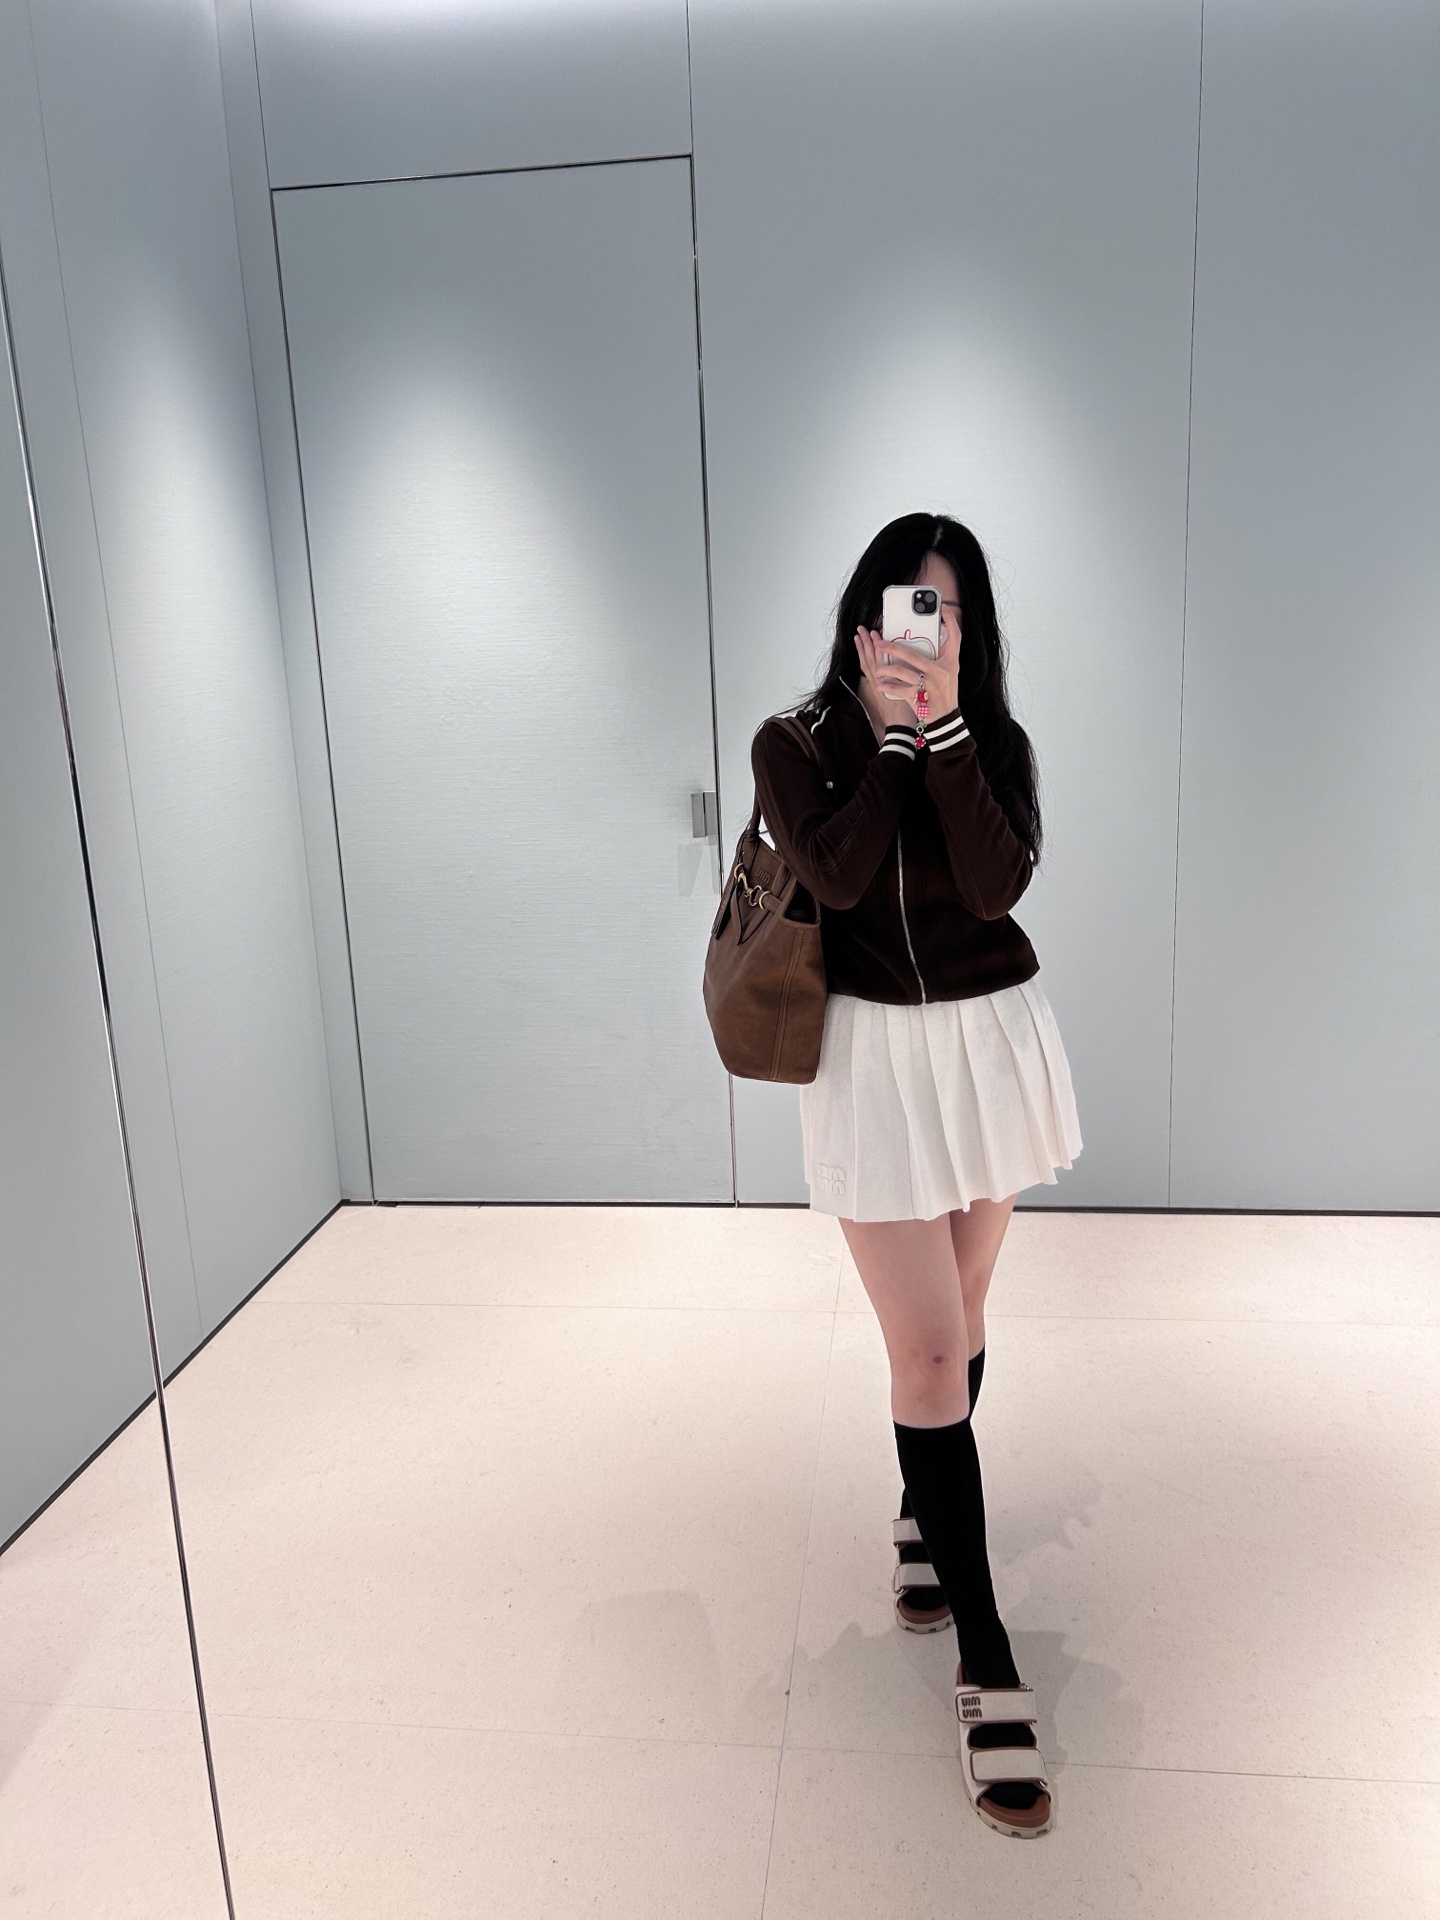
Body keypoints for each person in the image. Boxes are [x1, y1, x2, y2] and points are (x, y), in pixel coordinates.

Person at [751, 511, 1082, 1839]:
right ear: (862, 622)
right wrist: (889, 744)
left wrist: (944, 739)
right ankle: (987, 1661)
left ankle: (918, 1509)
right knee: (931, 1354)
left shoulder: (994, 742)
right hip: (873, 1062)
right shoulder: (795, 744)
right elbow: (834, 878)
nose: (922, 636)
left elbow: (997, 890)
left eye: (946, 615)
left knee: (965, 1314)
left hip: (990, 1046)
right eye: (905, 609)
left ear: (969, 633)